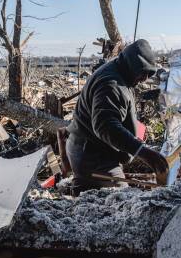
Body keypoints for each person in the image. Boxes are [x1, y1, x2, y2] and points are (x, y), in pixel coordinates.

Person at [66, 39, 169, 195]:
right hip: (94, 158)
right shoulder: (111, 84)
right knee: (119, 199)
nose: (145, 79)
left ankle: (81, 188)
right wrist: (142, 151)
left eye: (149, 74)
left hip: (89, 150)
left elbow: (117, 108)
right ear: (134, 66)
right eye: (144, 72)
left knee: (93, 191)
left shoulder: (119, 72)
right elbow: (105, 125)